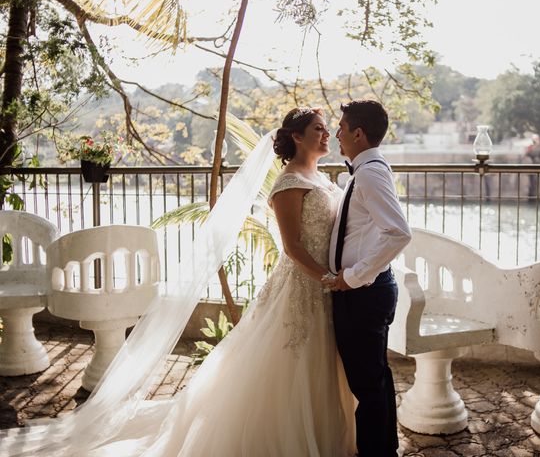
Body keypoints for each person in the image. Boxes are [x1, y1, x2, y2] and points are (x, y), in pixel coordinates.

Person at [0, 107, 356, 456]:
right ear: (297, 136)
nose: (327, 135)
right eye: (319, 128)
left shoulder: (323, 179)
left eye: (327, 129)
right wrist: (327, 278)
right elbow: (292, 247)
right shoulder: (288, 184)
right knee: (292, 361)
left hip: (325, 286)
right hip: (302, 285)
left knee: (322, 360)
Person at [326, 100, 412, 457]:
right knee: (372, 379)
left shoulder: (372, 172)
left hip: (364, 293)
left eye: (342, 128)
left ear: (358, 133)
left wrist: (355, 276)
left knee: (369, 383)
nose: (336, 134)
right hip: (362, 291)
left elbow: (398, 232)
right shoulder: (364, 171)